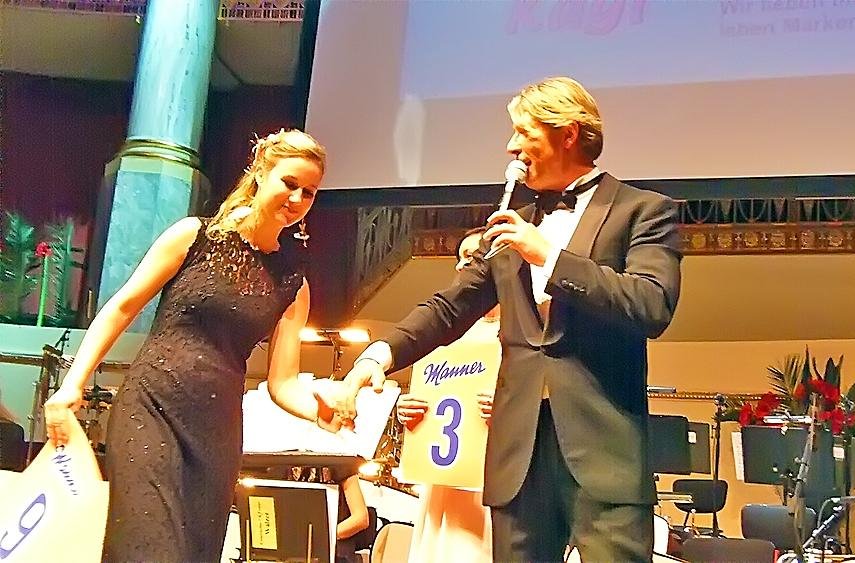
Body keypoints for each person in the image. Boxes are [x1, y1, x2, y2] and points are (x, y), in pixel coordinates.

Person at [326, 77, 682, 561]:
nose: (511, 146)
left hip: (605, 451)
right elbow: (450, 306)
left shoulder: (643, 210)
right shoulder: (516, 220)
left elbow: (652, 304)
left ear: (568, 134)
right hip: (518, 455)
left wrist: (548, 256)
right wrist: (378, 357)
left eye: (523, 132)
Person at [43, 129, 343, 562]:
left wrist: (321, 411)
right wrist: (73, 383)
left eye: (309, 193)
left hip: (217, 433)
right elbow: (121, 307)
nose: (297, 199)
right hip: (151, 409)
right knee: (149, 547)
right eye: (290, 183)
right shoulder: (193, 236)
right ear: (261, 174)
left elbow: (284, 383)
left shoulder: (294, 283)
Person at [396, 227, 498, 563]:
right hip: (442, 480)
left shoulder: (524, 329)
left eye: (472, 257)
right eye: (460, 258)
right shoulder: (443, 333)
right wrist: (408, 409)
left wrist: (512, 408)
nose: (461, 265)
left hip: (495, 478)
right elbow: (429, 400)